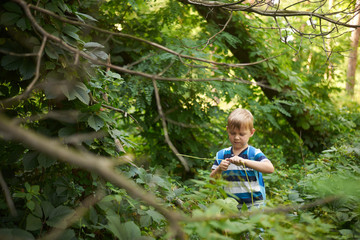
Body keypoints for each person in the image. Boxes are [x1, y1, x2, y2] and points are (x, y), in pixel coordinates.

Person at [210, 108, 274, 210]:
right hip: (230, 206)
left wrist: (244, 161)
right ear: (227, 130)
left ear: (251, 133)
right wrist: (219, 169)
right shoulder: (222, 155)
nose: (236, 138)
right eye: (232, 133)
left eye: (241, 134)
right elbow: (212, 182)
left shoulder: (253, 153)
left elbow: (270, 168)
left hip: (255, 205)